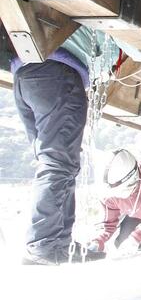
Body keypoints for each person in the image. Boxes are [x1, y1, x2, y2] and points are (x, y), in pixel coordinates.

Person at [10, 25, 120, 265]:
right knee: (59, 165)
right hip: (59, 75)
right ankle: (44, 243)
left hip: (26, 75)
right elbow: (140, 48)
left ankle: (57, 241)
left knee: (57, 165)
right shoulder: (112, 25)